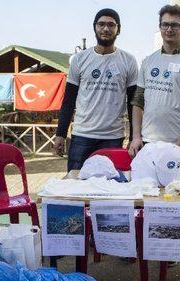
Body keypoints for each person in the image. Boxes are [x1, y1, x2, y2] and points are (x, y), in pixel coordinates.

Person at [52, 8, 138, 171]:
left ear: (118, 29)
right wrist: (61, 134)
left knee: (111, 186)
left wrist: (134, 136)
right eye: (101, 24)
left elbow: (134, 103)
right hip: (82, 135)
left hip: (112, 137)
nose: (106, 28)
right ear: (95, 27)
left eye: (111, 25)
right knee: (76, 184)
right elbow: (69, 100)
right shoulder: (80, 59)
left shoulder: (129, 61)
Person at [128, 4, 180, 172]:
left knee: (174, 194)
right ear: (160, 27)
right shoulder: (148, 61)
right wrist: (136, 137)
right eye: (165, 24)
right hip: (148, 143)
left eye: (175, 25)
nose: (169, 29)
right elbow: (137, 102)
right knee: (146, 192)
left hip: (177, 144)